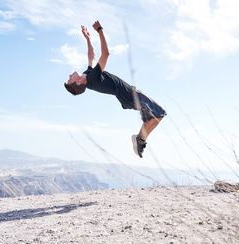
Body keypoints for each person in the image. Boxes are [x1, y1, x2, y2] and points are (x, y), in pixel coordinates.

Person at [64, 21, 166, 158]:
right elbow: (105, 54)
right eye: (70, 79)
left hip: (129, 94)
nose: (70, 75)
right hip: (129, 95)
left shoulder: (87, 75)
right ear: (76, 83)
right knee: (159, 114)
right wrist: (100, 30)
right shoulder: (92, 79)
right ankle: (139, 140)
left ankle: (139, 139)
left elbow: (91, 56)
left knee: (153, 118)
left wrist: (88, 39)